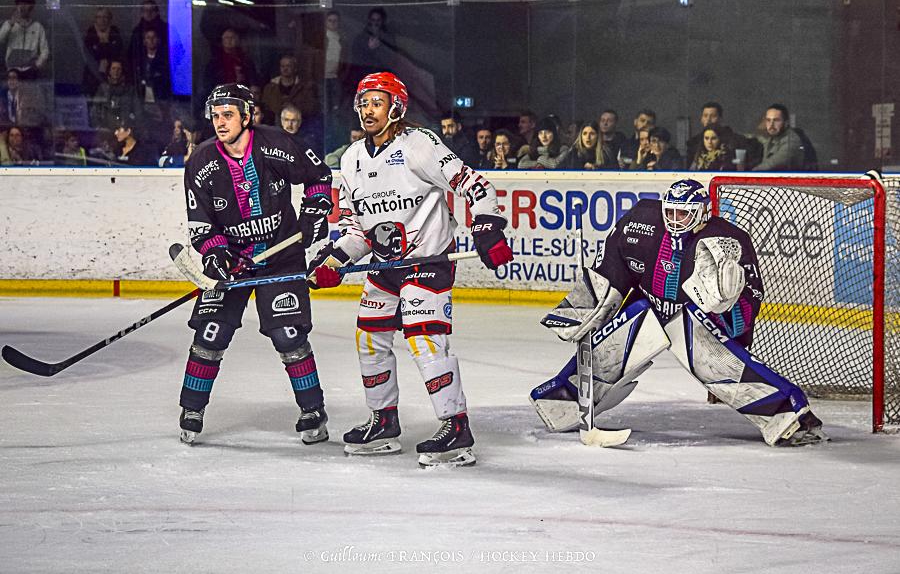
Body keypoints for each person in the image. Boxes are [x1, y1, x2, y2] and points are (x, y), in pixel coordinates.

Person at [305, 72, 514, 467]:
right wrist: (334, 262)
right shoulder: (350, 160)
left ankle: (456, 427)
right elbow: (357, 232)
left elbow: (475, 186)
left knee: (424, 341)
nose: (368, 110)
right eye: (363, 102)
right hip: (386, 267)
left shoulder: (419, 145)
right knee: (369, 339)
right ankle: (383, 422)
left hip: (428, 262)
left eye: (376, 102)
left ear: (396, 108)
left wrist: (487, 226)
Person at [530, 179, 827, 447]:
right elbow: (609, 272)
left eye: (682, 214)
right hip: (648, 305)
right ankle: (561, 403)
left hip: (693, 317)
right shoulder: (641, 222)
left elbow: (747, 307)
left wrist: (726, 307)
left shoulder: (727, 241)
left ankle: (790, 417)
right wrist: (583, 311)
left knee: (719, 366)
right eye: (670, 212)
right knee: (607, 350)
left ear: (701, 213)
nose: (673, 220)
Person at [178, 83, 334, 445]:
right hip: (234, 263)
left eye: (228, 114)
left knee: (288, 335)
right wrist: (215, 253)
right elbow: (200, 225)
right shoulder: (201, 161)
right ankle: (191, 409)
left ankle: (313, 410)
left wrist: (314, 210)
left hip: (281, 257)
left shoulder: (277, 144)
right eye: (215, 116)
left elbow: (319, 178)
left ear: (247, 115)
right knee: (210, 334)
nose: (220, 122)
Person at [0, 0, 50, 79]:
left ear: (31, 7)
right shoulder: (9, 24)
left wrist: (37, 65)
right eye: (20, 4)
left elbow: (45, 50)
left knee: (30, 91)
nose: (22, 6)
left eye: (26, 3)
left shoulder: (38, 27)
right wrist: (10, 24)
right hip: (12, 69)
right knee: (13, 91)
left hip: (31, 70)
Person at [752, 103, 806, 172]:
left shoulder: (792, 141)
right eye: (768, 120)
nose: (771, 125)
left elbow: (770, 165)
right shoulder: (772, 138)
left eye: (776, 120)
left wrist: (747, 175)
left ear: (786, 123)